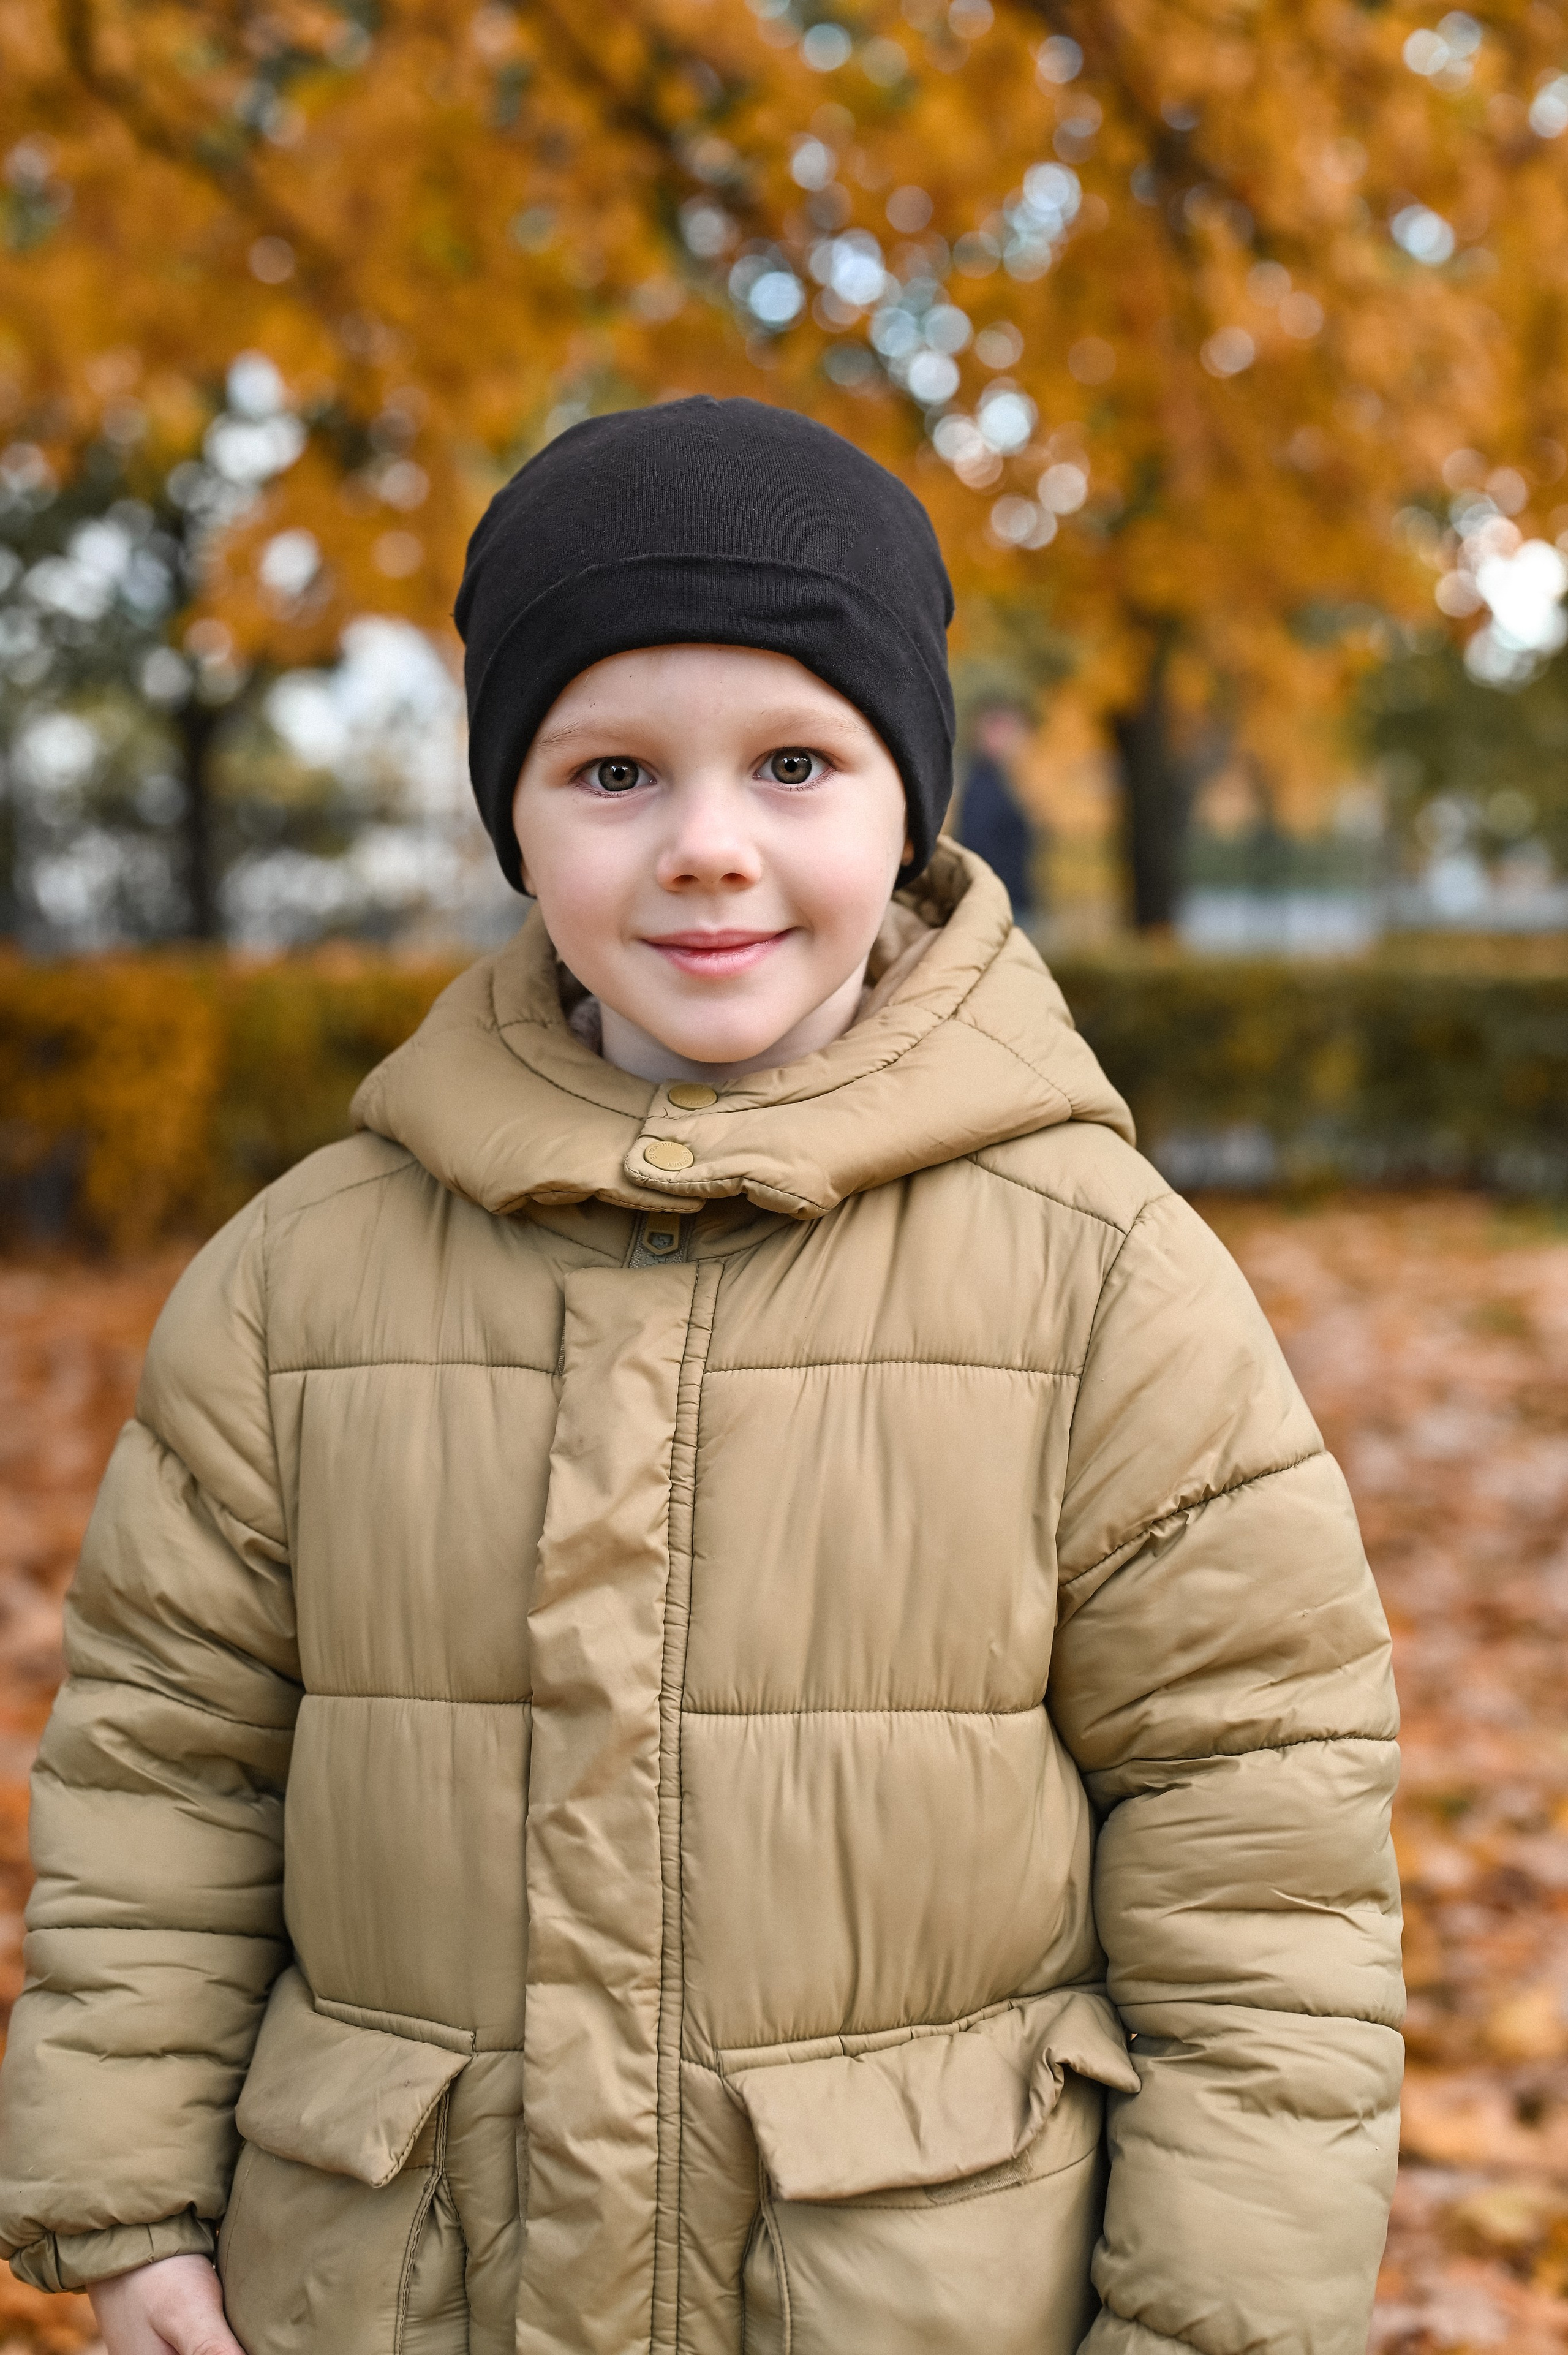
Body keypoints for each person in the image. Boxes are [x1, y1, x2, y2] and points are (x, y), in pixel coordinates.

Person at [0, 398, 1402, 2355]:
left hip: (914, 2296)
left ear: (905, 805)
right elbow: (167, 1775)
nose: (708, 849)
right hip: (391, 2286)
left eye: (796, 762)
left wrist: (1211, 2319)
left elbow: (1259, 1853)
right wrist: (133, 2199)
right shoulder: (296, 1286)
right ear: (516, 810)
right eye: (614, 772)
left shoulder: (1103, 1286)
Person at [956, 700, 1041, 919]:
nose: (1017, 740)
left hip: (1007, 898)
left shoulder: (999, 782)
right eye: (1010, 732)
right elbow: (979, 846)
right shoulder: (983, 786)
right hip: (1002, 902)